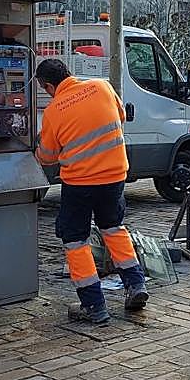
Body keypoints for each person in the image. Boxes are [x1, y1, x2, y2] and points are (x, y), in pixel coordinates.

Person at [34, 58, 147, 325]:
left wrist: (37, 148)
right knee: (113, 229)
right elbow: (119, 117)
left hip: (80, 184)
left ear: (49, 86)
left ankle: (94, 305)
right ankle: (136, 284)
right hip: (114, 176)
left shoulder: (53, 111)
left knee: (75, 241)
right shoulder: (102, 87)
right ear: (69, 73)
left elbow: (47, 157)